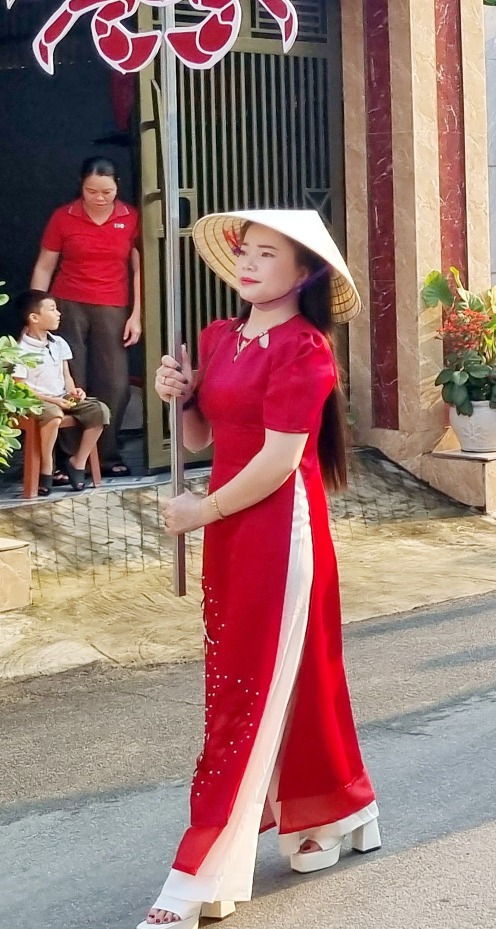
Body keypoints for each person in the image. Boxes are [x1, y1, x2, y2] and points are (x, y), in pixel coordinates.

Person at [140, 211, 375, 929]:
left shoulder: (306, 351)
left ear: (302, 274)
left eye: (267, 254)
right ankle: (342, 809)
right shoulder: (217, 337)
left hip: (280, 529)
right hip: (230, 529)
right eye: (245, 250)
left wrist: (199, 512)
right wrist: (176, 395)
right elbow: (202, 435)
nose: (248, 263)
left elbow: (277, 464)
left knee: (246, 691)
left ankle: (200, 874)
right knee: (292, 675)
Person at [30, 157, 142, 479]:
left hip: (112, 304)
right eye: (92, 190)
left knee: (115, 384)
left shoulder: (131, 217)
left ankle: (105, 455)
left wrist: (137, 314)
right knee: (68, 381)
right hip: (68, 304)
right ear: (81, 186)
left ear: (117, 186)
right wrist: (36, 313)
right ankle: (69, 457)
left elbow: (139, 271)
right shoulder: (63, 217)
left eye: (107, 191)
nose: (100, 197)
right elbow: (44, 266)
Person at [9, 290, 111, 497]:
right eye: (52, 309)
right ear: (34, 317)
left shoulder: (59, 343)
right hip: (34, 400)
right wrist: (52, 400)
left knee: (99, 410)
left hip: (61, 397)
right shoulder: (20, 350)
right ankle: (47, 466)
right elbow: (20, 387)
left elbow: (66, 375)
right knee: (53, 414)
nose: (58, 314)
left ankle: (78, 462)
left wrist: (74, 391)